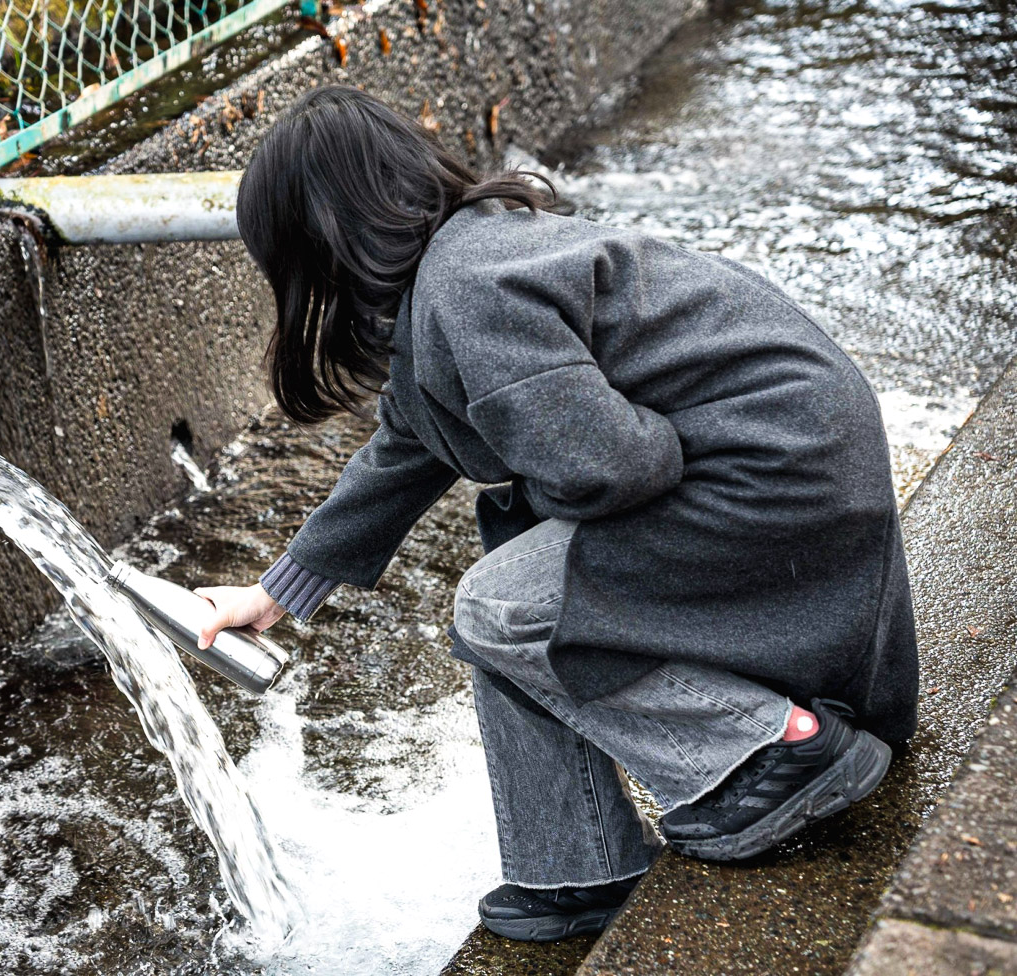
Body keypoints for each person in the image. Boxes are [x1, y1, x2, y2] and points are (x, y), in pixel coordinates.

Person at [192, 85, 917, 943]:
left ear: (321, 242)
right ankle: (572, 867)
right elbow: (406, 447)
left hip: (777, 475)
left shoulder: (469, 291)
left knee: (502, 603)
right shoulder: (463, 270)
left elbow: (615, 465)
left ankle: (772, 750)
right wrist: (275, 594)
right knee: (507, 605)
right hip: (794, 458)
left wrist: (567, 467)